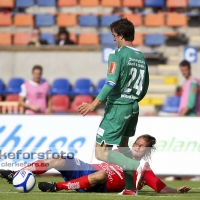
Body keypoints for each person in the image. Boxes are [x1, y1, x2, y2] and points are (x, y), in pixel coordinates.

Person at [78, 18, 149, 195]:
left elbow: (110, 82)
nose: (114, 39)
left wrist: (95, 103)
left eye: (114, 36)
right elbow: (145, 85)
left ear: (122, 35)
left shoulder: (117, 54)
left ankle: (132, 165)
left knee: (100, 152)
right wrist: (133, 99)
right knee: (124, 148)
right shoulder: (141, 57)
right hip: (133, 106)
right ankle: (130, 188)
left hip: (118, 107)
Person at [0, 135, 191, 194]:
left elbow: (160, 187)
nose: (137, 147)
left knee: (101, 175)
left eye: (142, 147)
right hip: (85, 170)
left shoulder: (143, 169)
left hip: (98, 183)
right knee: (59, 157)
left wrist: (176, 191)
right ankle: (16, 174)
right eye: (137, 143)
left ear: (147, 151)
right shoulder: (119, 152)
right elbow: (101, 150)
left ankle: (56, 187)